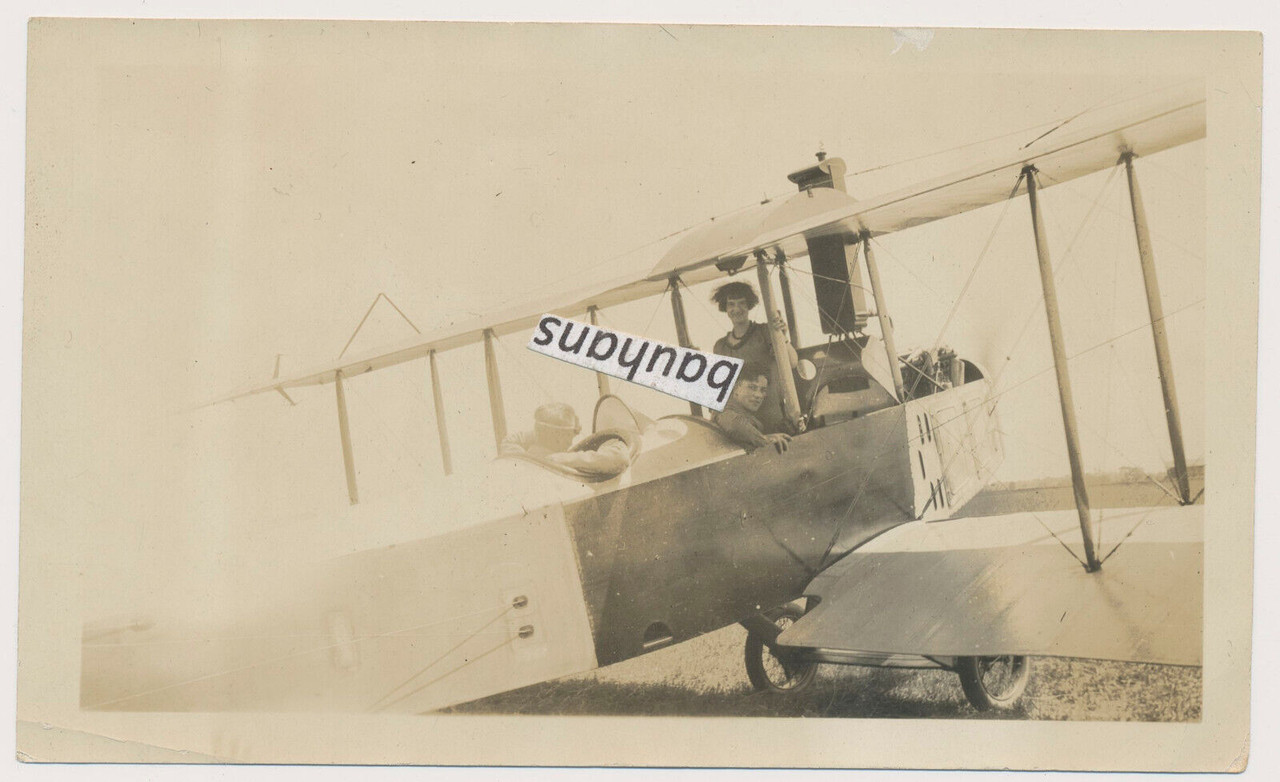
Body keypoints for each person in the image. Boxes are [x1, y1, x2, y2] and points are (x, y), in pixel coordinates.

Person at [710, 281, 799, 434]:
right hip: (741, 420)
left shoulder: (765, 332)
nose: (736, 309)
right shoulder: (720, 347)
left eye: (742, 303)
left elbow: (792, 362)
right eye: (731, 304)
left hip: (770, 413)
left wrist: (782, 336)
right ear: (725, 307)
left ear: (749, 305)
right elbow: (720, 389)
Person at [500, 402, 631, 477]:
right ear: (557, 434)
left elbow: (510, 441)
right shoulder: (557, 461)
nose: (571, 442)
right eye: (569, 434)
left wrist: (542, 432)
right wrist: (565, 458)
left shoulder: (520, 458)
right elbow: (621, 458)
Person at [713, 362, 792, 454]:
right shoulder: (724, 410)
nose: (758, 395)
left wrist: (769, 436)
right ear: (736, 388)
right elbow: (734, 424)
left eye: (763, 390)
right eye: (752, 387)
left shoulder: (742, 413)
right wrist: (764, 439)